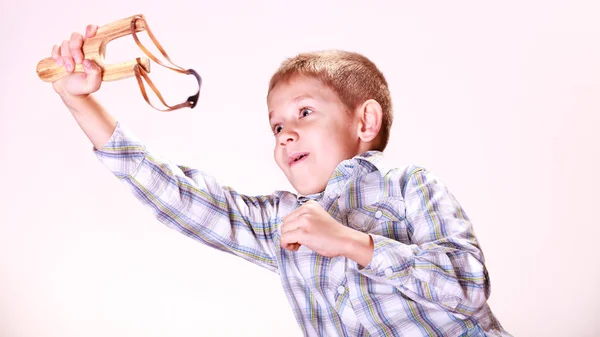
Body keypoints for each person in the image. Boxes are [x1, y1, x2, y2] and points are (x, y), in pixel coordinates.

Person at [48, 23, 512, 337]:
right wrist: (79, 103)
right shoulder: (284, 221)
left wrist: (356, 243)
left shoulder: (409, 184)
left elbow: (468, 286)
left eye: (304, 112)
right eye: (276, 126)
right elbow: (178, 196)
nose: (286, 133)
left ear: (364, 121)